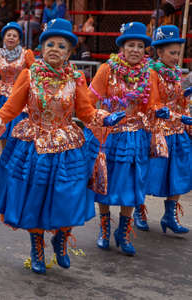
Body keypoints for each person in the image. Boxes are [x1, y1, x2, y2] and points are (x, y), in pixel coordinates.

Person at [0, 18, 125, 274]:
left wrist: (105, 118)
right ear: (41, 48)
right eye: (50, 44)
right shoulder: (28, 75)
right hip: (34, 146)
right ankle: (37, 247)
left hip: (66, 147)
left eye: (62, 45)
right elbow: (11, 107)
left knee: (69, 195)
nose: (55, 49)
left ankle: (61, 239)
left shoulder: (76, 79)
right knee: (35, 198)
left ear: (69, 52)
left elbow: (86, 112)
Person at [85, 22, 161, 256]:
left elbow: (154, 103)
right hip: (109, 136)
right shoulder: (107, 70)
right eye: (131, 45)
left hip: (136, 137)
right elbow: (88, 100)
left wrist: (160, 111)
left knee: (132, 185)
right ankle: (105, 229)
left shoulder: (150, 74)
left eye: (140, 46)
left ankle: (124, 232)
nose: (136, 49)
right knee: (104, 183)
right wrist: (103, 117)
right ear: (122, 47)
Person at [135, 25, 190, 234]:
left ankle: (169, 215)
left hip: (176, 129)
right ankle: (138, 210)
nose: (176, 57)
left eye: (178, 53)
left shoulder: (175, 74)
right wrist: (169, 113)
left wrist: (184, 97)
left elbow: (176, 102)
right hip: (156, 131)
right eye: (172, 53)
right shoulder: (151, 74)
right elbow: (153, 103)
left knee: (179, 172)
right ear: (159, 52)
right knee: (148, 173)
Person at [0, 22, 35, 149]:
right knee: (3, 129)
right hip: (0, 96)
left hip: (19, 96)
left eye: (14, 35)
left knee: (17, 131)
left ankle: (14, 161)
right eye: (8, 35)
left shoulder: (26, 54)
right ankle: (4, 156)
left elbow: (35, 73)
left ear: (19, 39)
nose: (11, 38)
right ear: (4, 38)